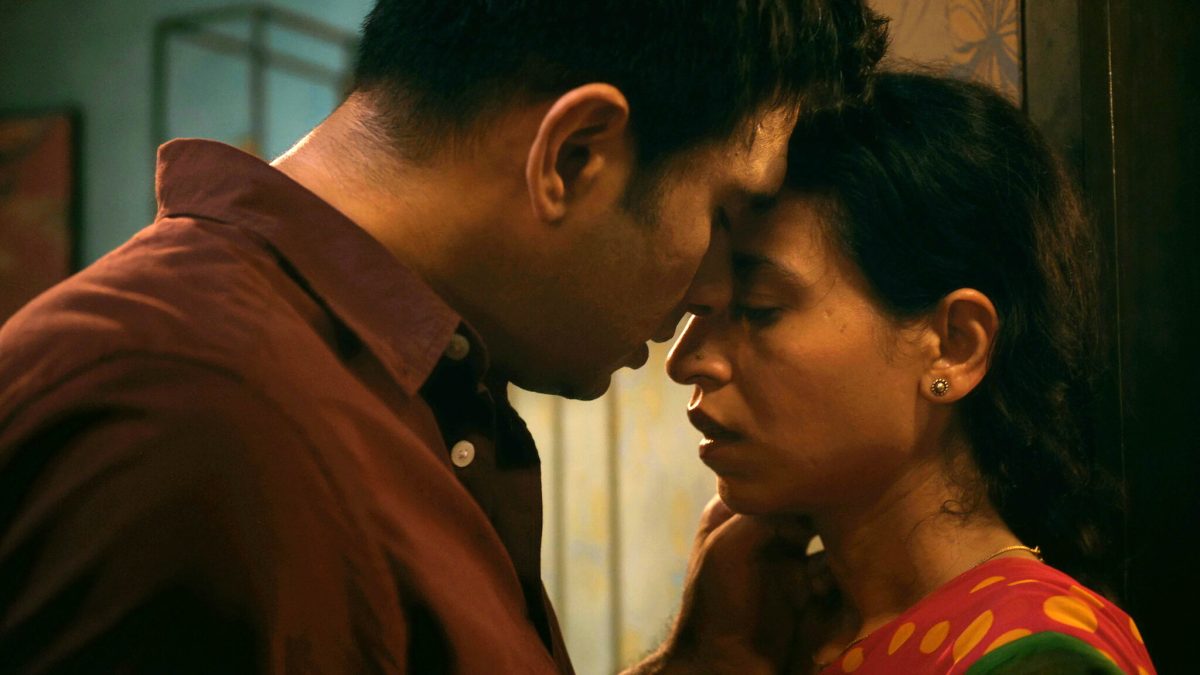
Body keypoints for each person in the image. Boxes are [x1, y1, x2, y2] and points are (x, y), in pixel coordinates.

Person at [0, 1, 891, 673]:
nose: (710, 290)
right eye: (723, 212)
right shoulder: (196, 410)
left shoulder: (382, 385)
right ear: (574, 155)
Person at [666, 72, 1158, 674]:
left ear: (953, 347)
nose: (685, 360)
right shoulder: (782, 635)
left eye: (759, 307)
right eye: (701, 308)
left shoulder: (1032, 655)